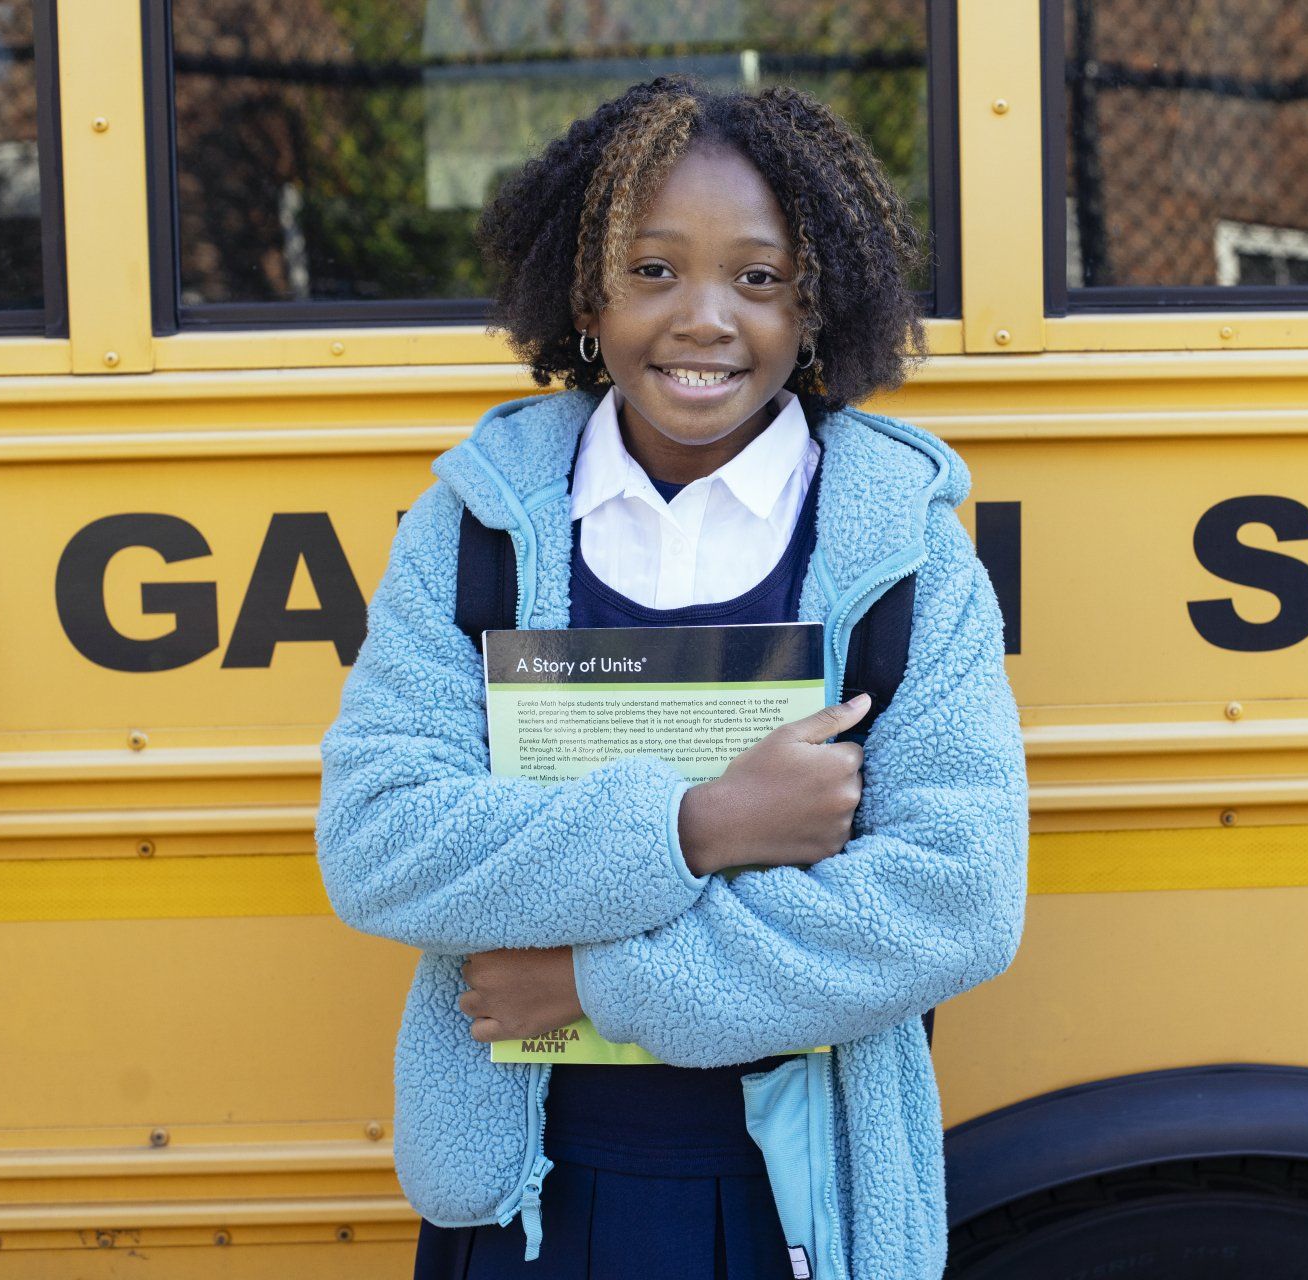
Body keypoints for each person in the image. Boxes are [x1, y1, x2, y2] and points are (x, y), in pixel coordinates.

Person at [315, 74, 1028, 1280]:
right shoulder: (476, 532)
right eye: (652, 270)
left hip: (795, 1201)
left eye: (758, 278)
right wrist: (698, 824)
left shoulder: (900, 555)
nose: (703, 318)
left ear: (817, 307)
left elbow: (956, 898)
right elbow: (382, 841)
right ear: (584, 294)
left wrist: (592, 980)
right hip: (527, 1202)